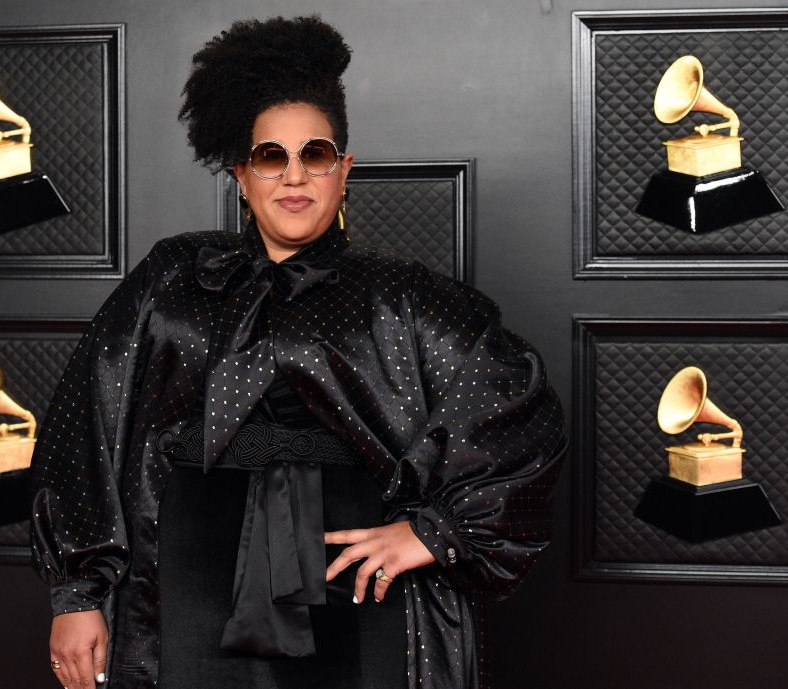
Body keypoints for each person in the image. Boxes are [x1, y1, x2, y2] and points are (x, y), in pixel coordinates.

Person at [30, 15, 566, 689]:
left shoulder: (400, 297)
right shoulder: (171, 281)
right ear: (241, 176)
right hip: (193, 571)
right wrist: (77, 594)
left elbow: (522, 413)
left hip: (358, 582)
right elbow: (89, 427)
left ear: (344, 170)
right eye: (270, 157)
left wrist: (434, 532)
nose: (294, 176)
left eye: (315, 155)